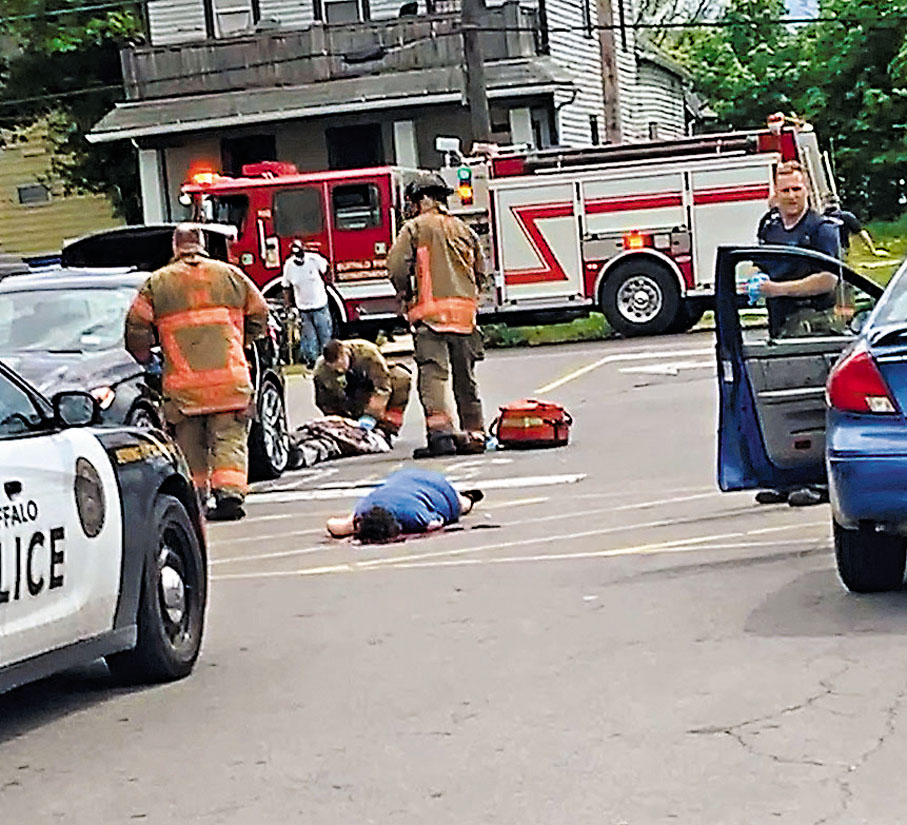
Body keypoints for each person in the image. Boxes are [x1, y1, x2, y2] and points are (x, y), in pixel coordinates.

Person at [125, 223, 269, 521]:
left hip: (183, 387)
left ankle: (196, 499)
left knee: (190, 446)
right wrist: (239, 341)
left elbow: (135, 327)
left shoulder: (158, 282)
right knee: (229, 440)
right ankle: (229, 496)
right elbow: (260, 314)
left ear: (175, 247)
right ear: (201, 244)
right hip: (229, 382)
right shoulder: (230, 275)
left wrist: (145, 354)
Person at [753, 161, 841, 508]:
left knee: (812, 403)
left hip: (814, 322)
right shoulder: (770, 225)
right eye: (785, 190)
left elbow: (829, 279)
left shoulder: (821, 229)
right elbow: (761, 261)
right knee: (784, 404)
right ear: (774, 193)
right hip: (779, 324)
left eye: (796, 189)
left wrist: (777, 289)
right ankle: (787, 477)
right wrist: (755, 278)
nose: (791, 196)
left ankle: (819, 480)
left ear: (807, 190)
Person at [387, 172, 487, 459]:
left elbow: (396, 267)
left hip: (431, 318)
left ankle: (442, 434)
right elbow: (480, 273)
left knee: (434, 374)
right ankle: (475, 433)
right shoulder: (464, 229)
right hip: (465, 319)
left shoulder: (415, 228)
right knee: (465, 378)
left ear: (424, 199)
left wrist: (405, 294)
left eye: (415, 200)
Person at [326, 468, 483, 542]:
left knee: (460, 507)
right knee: (454, 504)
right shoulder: (362, 510)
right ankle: (464, 497)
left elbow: (436, 522)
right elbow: (333, 525)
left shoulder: (417, 518)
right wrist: (352, 528)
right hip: (404, 477)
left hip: (439, 489)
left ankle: (467, 499)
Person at [313, 338, 411, 438]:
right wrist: (337, 422)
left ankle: (386, 428)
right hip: (346, 399)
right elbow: (324, 401)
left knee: (400, 378)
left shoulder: (368, 354)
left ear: (346, 353)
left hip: (368, 388)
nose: (339, 369)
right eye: (335, 368)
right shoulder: (321, 370)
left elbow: (382, 387)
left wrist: (371, 415)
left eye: (341, 364)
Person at [281, 239, 333, 368]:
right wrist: (288, 305)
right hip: (303, 308)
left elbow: (327, 268)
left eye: (300, 252)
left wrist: (329, 284)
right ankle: (313, 363)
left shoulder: (314, 260)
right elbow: (286, 286)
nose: (299, 257)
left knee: (325, 335)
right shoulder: (289, 266)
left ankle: (328, 361)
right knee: (309, 340)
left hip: (320, 304)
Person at [824, 199, 889, 258]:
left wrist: (873, 251)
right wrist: (873, 251)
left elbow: (861, 232)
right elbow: (862, 233)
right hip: (839, 251)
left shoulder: (818, 218)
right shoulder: (846, 216)